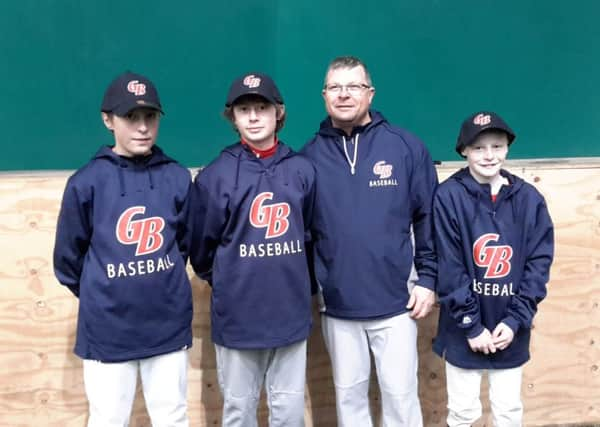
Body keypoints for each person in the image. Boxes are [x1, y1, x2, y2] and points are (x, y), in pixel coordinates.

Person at [301, 56, 438, 426]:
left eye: (354, 86)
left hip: (398, 303)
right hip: (339, 307)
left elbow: (428, 218)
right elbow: (304, 235)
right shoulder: (307, 159)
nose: (344, 95)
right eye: (335, 87)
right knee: (349, 399)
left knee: (401, 398)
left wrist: (428, 280)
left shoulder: (406, 147)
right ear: (324, 95)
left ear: (370, 93)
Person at [53, 71, 193, 427]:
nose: (142, 127)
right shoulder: (85, 183)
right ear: (108, 120)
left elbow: (187, 244)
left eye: (150, 117)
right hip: (108, 331)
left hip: (167, 326)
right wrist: (106, 294)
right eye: (131, 117)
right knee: (109, 420)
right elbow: (68, 261)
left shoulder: (177, 177)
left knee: (172, 417)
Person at [189, 72, 316, 427]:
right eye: (245, 110)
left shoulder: (301, 169)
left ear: (279, 113)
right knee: (238, 411)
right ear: (233, 117)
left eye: (263, 107)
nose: (255, 116)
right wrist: (231, 281)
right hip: (239, 316)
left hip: (289, 313)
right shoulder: (215, 176)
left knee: (289, 412)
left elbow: (309, 235)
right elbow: (201, 250)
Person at [433, 111, 554, 426]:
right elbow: (449, 265)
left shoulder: (529, 199)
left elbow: (538, 264)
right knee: (462, 411)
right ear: (464, 151)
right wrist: (471, 324)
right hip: (463, 328)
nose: (489, 155)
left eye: (497, 146)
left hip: (509, 328)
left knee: (508, 409)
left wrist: (515, 319)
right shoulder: (448, 196)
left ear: (507, 148)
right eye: (479, 148)